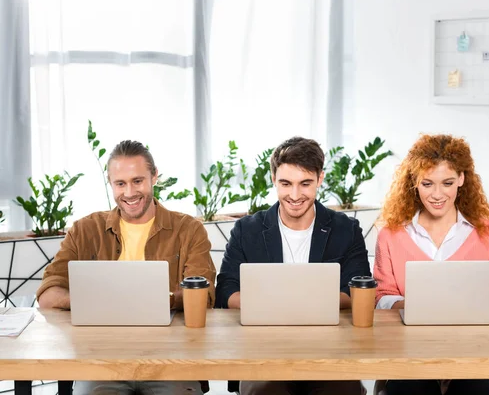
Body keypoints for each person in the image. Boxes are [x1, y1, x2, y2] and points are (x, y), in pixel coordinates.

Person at [36, 140, 216, 395]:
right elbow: (48, 295)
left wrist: (153, 299)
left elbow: (204, 296)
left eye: (138, 181)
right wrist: (97, 301)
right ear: (111, 184)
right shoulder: (84, 230)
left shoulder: (189, 230)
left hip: (173, 362)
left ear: (154, 177)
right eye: (120, 183)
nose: (129, 192)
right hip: (100, 363)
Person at [215, 136, 370, 395]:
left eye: (305, 184)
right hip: (263, 352)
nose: (295, 195)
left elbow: (359, 290)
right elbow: (226, 291)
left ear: (320, 179)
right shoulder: (247, 230)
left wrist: (285, 303)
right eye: (286, 183)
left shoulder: (346, 229)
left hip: (330, 353)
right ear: (273, 179)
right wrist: (289, 304)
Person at [373, 134, 489, 395]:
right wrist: (423, 306)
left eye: (447, 183)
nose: (437, 195)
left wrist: (456, 308)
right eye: (427, 184)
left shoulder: (488, 233)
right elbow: (382, 298)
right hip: (409, 356)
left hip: (472, 356)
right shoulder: (391, 235)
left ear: (461, 179)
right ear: (414, 182)